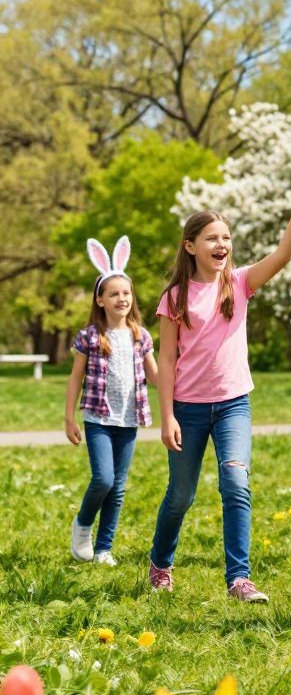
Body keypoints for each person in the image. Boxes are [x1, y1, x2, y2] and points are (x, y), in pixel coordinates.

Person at [149, 187, 291, 602]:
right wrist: (166, 415)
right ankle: (160, 564)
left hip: (233, 405)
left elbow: (281, 257)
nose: (221, 244)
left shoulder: (239, 283)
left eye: (225, 237)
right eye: (211, 238)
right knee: (181, 495)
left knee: (236, 482)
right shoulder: (174, 297)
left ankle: (239, 579)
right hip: (186, 408)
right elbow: (166, 360)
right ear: (190, 247)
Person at [63, 236, 157, 566]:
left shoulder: (141, 336)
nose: (122, 299)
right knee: (103, 479)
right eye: (114, 294)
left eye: (126, 293)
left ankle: (104, 548)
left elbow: (156, 377)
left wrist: (181, 392)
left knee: (118, 487)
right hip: (98, 419)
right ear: (100, 299)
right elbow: (76, 377)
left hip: (128, 419)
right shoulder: (90, 335)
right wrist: (69, 417)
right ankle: (83, 526)